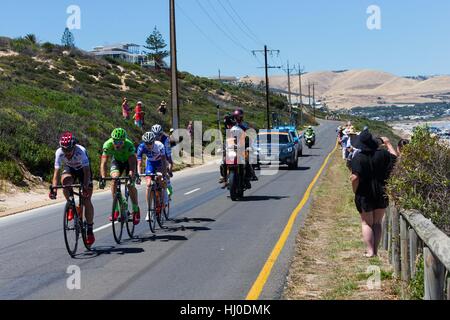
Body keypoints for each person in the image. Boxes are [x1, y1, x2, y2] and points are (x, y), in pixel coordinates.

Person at [350, 129, 397, 258]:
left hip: (365, 193)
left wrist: (355, 190)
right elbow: (395, 158)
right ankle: (375, 250)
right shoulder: (383, 154)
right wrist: (387, 143)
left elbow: (354, 178)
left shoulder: (358, 158)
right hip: (381, 191)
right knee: (377, 222)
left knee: (366, 223)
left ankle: (370, 251)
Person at [49, 132, 95, 246]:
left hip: (83, 170)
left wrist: (85, 186)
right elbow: (56, 173)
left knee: (86, 199)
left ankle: (89, 230)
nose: (67, 153)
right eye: (64, 150)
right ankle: (71, 204)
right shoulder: (59, 153)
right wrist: (54, 189)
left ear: (74, 146)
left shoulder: (81, 151)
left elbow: (87, 172)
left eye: (69, 150)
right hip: (70, 169)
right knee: (65, 183)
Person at [99, 128, 140, 225]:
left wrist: (131, 175)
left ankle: (135, 209)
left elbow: (132, 164)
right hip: (117, 161)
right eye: (115, 141)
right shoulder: (107, 145)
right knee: (114, 180)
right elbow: (103, 163)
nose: (118, 144)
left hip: (128, 163)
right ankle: (117, 208)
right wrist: (103, 177)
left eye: (120, 142)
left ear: (124, 140)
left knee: (130, 184)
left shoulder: (129, 145)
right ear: (112, 140)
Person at [137, 132, 168, 221]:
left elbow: (163, 161)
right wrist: (139, 174)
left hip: (159, 163)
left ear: (154, 141)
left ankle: (164, 195)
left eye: (150, 143)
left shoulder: (160, 146)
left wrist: (164, 174)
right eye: (146, 143)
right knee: (148, 185)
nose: (148, 145)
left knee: (160, 178)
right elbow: (139, 162)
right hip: (150, 164)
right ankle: (149, 210)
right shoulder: (141, 147)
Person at [151, 124, 174, 200]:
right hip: (155, 158)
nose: (157, 137)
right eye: (155, 135)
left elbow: (168, 158)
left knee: (165, 172)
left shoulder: (165, 139)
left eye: (159, 135)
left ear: (162, 134)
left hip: (164, 156)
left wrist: (169, 170)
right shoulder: (150, 139)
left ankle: (168, 186)